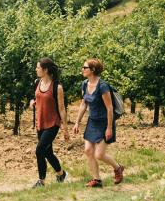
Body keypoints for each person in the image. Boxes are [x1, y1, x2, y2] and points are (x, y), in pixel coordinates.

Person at [73, 58, 124, 188]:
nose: (82, 70)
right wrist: (77, 122)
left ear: (93, 70)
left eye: (85, 68)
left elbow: (109, 108)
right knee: (88, 151)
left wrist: (109, 128)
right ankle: (96, 179)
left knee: (99, 154)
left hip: (105, 122)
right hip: (92, 121)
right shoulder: (85, 84)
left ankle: (118, 168)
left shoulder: (102, 86)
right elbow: (84, 103)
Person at [29, 57, 69, 188]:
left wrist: (65, 129)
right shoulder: (37, 82)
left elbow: (62, 109)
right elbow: (36, 97)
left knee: (39, 150)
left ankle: (41, 181)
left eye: (38, 67)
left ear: (45, 70)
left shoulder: (57, 87)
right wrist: (32, 102)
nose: (36, 69)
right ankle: (61, 174)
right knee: (47, 152)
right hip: (40, 122)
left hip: (53, 123)